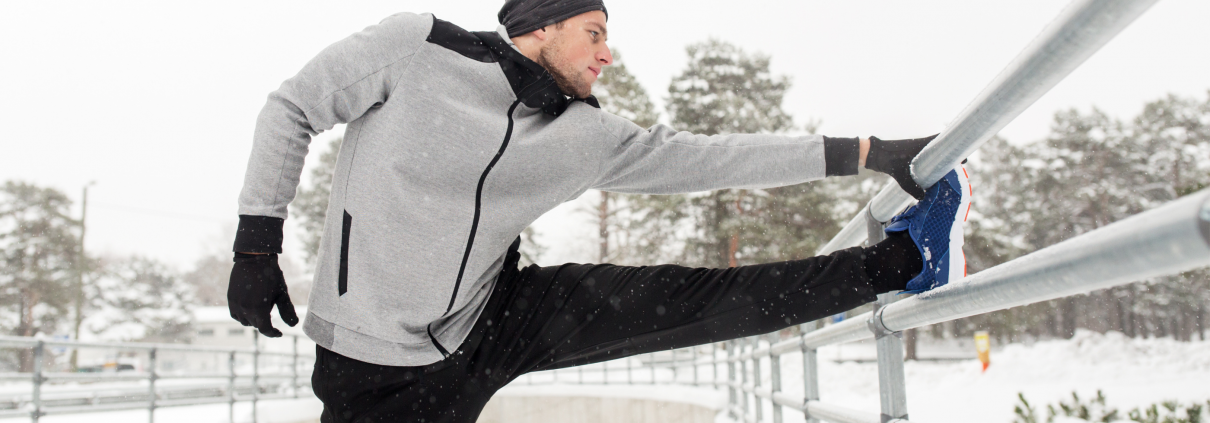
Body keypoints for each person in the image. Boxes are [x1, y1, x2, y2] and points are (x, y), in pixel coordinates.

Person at [226, 0, 970, 421]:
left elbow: (711, 158)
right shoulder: (416, 50)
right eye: (596, 33)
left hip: (492, 318)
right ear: (541, 26)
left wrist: (870, 150)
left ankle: (905, 262)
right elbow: (291, 107)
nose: (608, 54)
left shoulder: (582, 132)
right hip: (373, 365)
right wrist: (256, 247)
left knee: (689, 300)